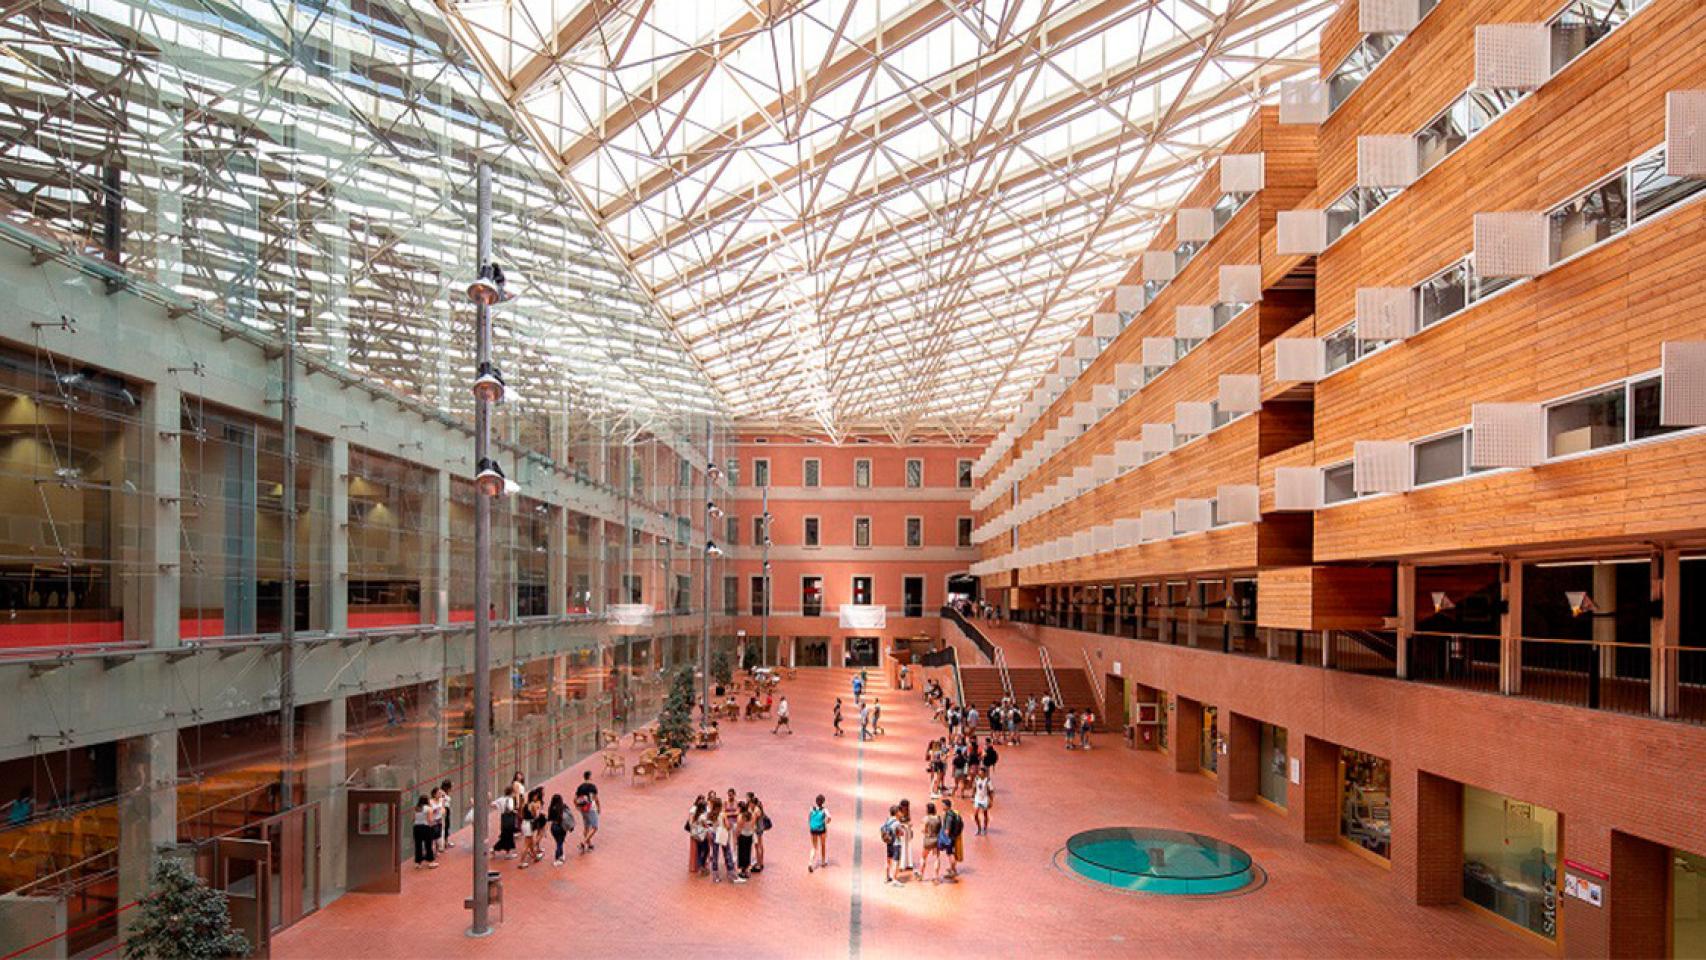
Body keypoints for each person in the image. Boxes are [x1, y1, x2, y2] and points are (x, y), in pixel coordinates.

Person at [574, 770, 600, 852]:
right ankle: (583, 843)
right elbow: (596, 798)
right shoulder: (592, 787)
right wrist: (599, 807)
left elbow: (574, 799)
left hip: (583, 809)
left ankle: (589, 845)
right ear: (590, 777)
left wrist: (577, 807)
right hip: (591, 808)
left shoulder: (580, 787)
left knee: (586, 827)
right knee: (595, 827)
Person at [491, 785, 518, 860]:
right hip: (509, 819)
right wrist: (514, 811)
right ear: (511, 792)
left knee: (505, 835)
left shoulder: (501, 799)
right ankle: (507, 853)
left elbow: (492, 804)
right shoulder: (510, 799)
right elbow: (510, 808)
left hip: (503, 818)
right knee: (509, 836)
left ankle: (496, 849)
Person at [710, 800, 735, 883]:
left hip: (714, 833)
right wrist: (730, 826)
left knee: (715, 854)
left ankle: (715, 876)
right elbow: (727, 825)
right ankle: (730, 872)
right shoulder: (723, 814)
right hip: (722, 833)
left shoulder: (711, 814)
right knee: (727, 852)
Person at [412, 796, 439, 868]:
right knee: (428, 845)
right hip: (426, 828)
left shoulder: (416, 808)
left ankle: (418, 863)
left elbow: (413, 819)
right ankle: (430, 862)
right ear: (427, 801)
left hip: (416, 828)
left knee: (418, 845)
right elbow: (430, 820)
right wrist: (435, 823)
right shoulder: (429, 808)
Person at [941, 798, 964, 880]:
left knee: (950, 854)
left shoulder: (949, 816)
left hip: (950, 838)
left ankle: (953, 871)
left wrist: (944, 838)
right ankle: (952, 868)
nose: (942, 806)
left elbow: (947, 830)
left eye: (943, 805)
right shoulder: (954, 813)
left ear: (947, 806)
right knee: (952, 853)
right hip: (954, 836)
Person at [881, 805, 903, 886]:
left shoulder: (888, 821)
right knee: (896, 862)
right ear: (896, 812)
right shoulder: (897, 823)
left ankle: (887, 877)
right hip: (896, 844)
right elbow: (901, 833)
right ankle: (894, 879)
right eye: (899, 811)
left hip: (889, 843)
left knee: (888, 860)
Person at [920, 802, 943, 883]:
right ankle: (936, 876)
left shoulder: (925, 819)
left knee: (923, 857)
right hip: (936, 840)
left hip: (928, 839)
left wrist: (927, 832)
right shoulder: (938, 818)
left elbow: (923, 830)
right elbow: (940, 829)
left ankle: (921, 875)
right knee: (937, 858)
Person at [548, 793, 573, 865]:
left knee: (558, 842)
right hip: (561, 827)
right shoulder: (563, 807)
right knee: (560, 843)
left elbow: (550, 818)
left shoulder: (551, 808)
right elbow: (569, 815)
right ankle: (557, 858)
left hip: (553, 827)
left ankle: (561, 855)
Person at [807, 795, 831, 872]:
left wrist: (811, 825)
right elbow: (829, 818)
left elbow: (809, 818)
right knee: (823, 845)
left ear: (816, 801)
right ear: (823, 802)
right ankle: (823, 862)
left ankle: (810, 863)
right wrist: (826, 822)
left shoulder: (811, 808)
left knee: (814, 847)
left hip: (813, 830)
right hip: (822, 830)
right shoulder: (824, 810)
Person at [735, 801, 756, 883]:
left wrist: (736, 837)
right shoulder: (752, 815)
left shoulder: (740, 816)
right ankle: (747, 869)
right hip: (749, 835)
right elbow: (753, 826)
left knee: (741, 852)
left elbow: (739, 828)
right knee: (748, 852)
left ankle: (741, 870)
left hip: (743, 835)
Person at [748, 792, 769, 872]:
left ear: (753, 803)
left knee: (757, 846)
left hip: (757, 830)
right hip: (760, 829)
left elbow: (752, 822)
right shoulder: (759, 809)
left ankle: (759, 864)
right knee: (760, 845)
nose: (750, 806)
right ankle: (760, 862)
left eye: (750, 804)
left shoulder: (756, 811)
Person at [972, 771, 992, 835]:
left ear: (984, 773)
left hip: (984, 799)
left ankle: (985, 828)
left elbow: (991, 790)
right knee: (975, 815)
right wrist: (973, 797)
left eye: (981, 773)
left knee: (985, 814)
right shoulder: (976, 778)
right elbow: (974, 787)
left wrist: (991, 800)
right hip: (977, 799)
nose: (980, 774)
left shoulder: (987, 780)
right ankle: (979, 828)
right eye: (979, 773)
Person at [439, 780, 456, 848]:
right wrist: (443, 810)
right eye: (451, 787)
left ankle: (446, 841)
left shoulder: (445, 793)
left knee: (447, 826)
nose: (452, 788)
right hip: (444, 810)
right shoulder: (442, 793)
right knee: (444, 826)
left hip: (446, 809)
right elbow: (441, 802)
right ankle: (443, 843)